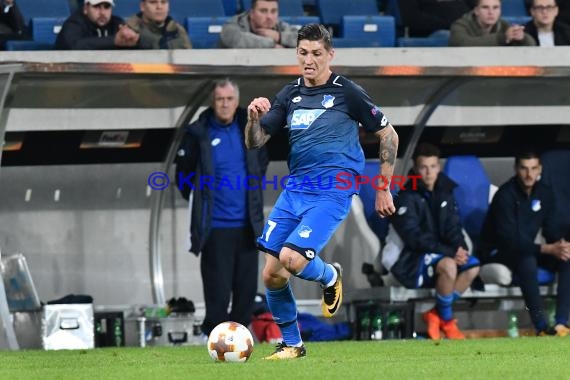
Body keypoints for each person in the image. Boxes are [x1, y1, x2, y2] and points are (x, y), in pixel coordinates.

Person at [245, 24, 399, 359]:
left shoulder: (348, 92)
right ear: (296, 54)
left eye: (316, 53)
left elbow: (389, 136)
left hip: (333, 189)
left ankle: (330, 275)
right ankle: (292, 344)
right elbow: (256, 142)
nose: (309, 60)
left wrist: (383, 189)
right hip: (296, 189)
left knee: (292, 258)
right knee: (271, 274)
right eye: (303, 53)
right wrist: (253, 118)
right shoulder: (289, 95)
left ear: (330, 54)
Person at [174, 79, 268, 336]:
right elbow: (182, 177)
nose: (224, 104)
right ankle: (215, 346)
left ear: (236, 102)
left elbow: (261, 166)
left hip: (248, 228)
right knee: (217, 296)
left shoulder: (250, 128)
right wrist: (202, 203)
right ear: (213, 102)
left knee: (245, 296)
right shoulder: (198, 133)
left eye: (229, 99)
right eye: (220, 99)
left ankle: (239, 346)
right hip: (215, 229)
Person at [388, 142, 480, 340]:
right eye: (423, 167)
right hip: (411, 259)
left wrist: (460, 249)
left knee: (472, 267)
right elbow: (413, 238)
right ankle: (447, 321)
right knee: (448, 266)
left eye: (432, 166)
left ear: (439, 167)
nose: (428, 172)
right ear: (415, 168)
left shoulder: (446, 192)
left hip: (443, 251)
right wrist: (449, 252)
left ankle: (436, 313)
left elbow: (453, 227)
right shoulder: (405, 196)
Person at [479, 151, 570, 336]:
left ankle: (561, 323)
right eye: (524, 168)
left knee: (566, 258)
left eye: (533, 168)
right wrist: (546, 248)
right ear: (516, 169)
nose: (529, 174)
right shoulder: (505, 196)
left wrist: (561, 245)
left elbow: (551, 226)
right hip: (499, 252)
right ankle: (541, 327)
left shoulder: (544, 192)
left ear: (540, 170)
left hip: (527, 249)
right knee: (526, 260)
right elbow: (510, 240)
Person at [55, 0, 139, 50]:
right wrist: (113, 41)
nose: (102, 13)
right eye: (96, 7)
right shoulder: (74, 23)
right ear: (85, 9)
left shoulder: (117, 23)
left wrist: (132, 39)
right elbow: (73, 45)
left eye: (106, 7)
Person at [449, 0, 536, 46]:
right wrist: (503, 38)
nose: (491, 12)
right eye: (485, 7)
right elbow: (462, 44)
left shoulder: (504, 25)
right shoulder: (460, 25)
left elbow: (532, 45)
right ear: (476, 11)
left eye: (495, 8)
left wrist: (522, 38)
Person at [220, 0, 299, 48]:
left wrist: (278, 36)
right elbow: (234, 39)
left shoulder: (279, 25)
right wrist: (271, 45)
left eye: (273, 11)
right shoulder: (233, 24)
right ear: (252, 13)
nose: (269, 16)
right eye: (263, 11)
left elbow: (305, 40)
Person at [126, 0, 191, 49]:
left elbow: (188, 60)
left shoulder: (178, 30)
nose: (159, 7)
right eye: (153, 2)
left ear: (168, 7)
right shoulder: (130, 30)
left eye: (163, 2)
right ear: (142, 6)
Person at [398, 0, 471, 37]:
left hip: (469, 26)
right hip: (433, 33)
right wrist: (450, 24)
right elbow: (412, 19)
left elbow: (477, 5)